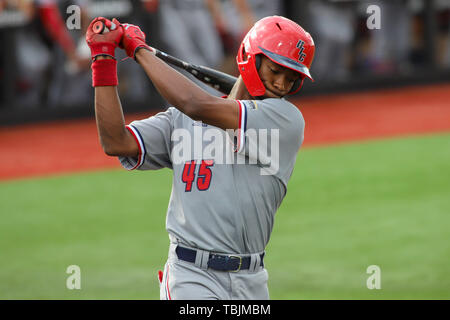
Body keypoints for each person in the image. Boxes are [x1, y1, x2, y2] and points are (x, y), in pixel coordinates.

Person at [86, 15, 315, 300]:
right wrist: (103, 59)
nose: (281, 84)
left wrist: (137, 49)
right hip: (190, 277)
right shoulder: (179, 121)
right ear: (250, 57)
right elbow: (115, 141)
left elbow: (194, 103)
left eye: (292, 78)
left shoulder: (285, 120)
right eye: (275, 71)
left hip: (252, 281)